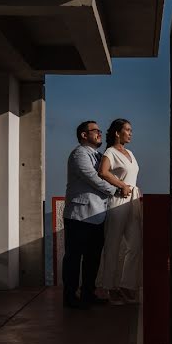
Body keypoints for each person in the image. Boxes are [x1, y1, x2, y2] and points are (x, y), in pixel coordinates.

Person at [61, 121, 131, 309]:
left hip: (99, 215)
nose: (100, 134)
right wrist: (117, 190)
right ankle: (69, 296)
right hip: (79, 215)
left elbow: (108, 174)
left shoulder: (100, 155)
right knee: (74, 257)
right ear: (84, 135)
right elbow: (93, 178)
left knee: (93, 258)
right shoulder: (79, 154)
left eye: (100, 131)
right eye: (95, 131)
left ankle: (88, 293)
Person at [97, 118, 143, 305]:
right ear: (117, 132)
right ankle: (110, 287)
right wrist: (122, 185)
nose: (131, 133)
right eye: (127, 130)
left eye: (131, 130)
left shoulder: (130, 152)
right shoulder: (110, 151)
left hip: (133, 200)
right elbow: (103, 171)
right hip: (118, 200)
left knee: (136, 243)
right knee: (113, 244)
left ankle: (126, 284)